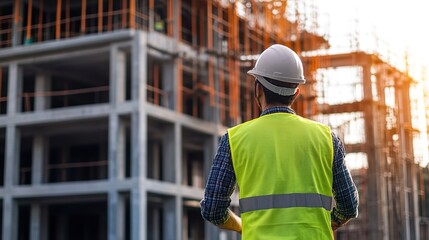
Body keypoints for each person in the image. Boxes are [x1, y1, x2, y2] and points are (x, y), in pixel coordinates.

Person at [200, 44, 359, 239]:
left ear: (258, 89)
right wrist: (322, 225)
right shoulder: (327, 138)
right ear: (296, 93)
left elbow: (212, 209)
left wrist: (241, 225)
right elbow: (349, 207)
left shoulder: (235, 139)